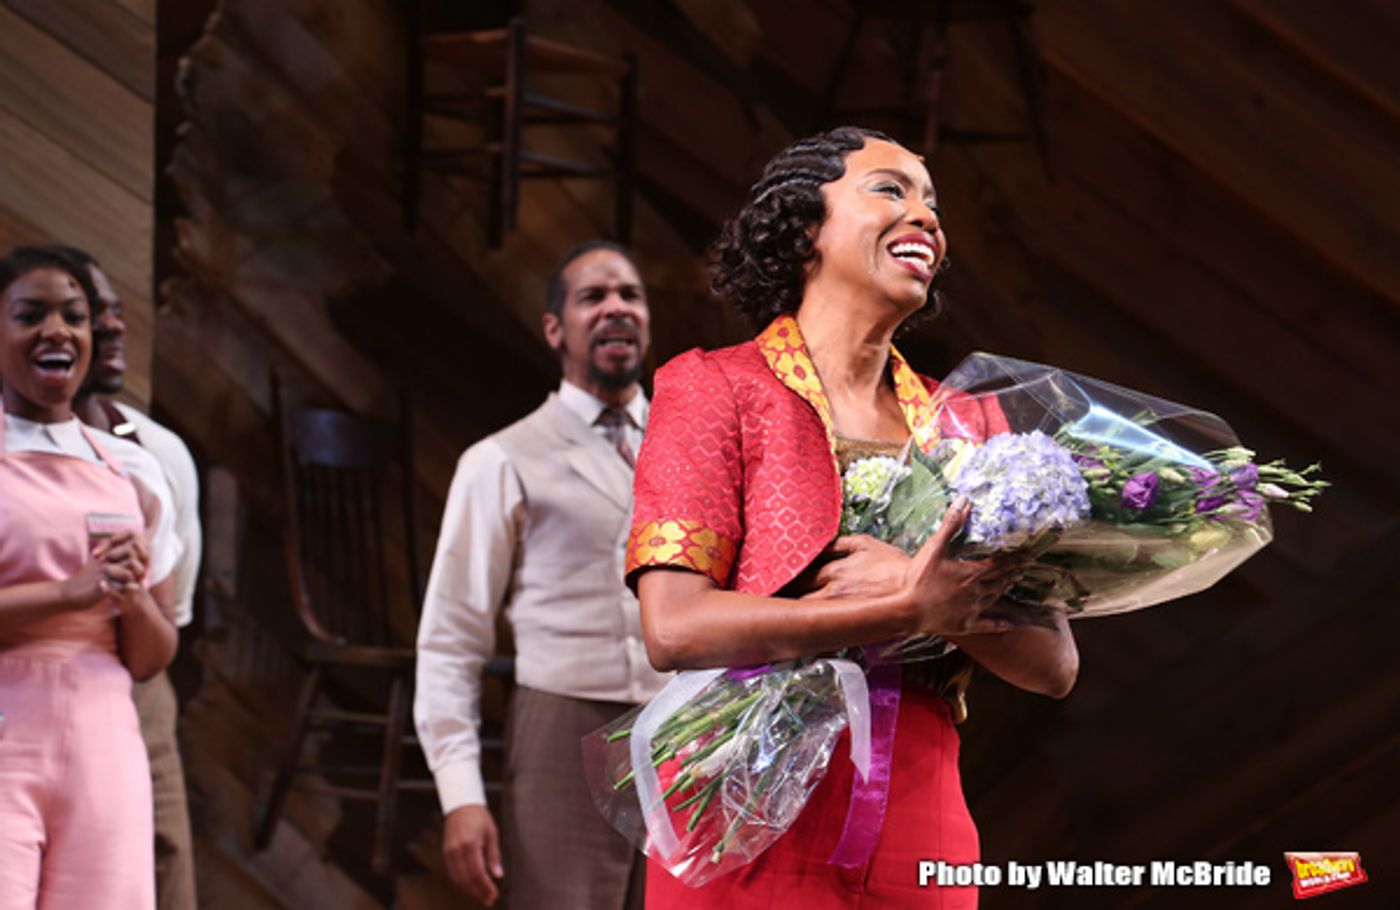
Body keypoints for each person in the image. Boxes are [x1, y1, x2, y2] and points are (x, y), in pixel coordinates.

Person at [626, 128, 1079, 909]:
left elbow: (1055, 666)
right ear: (807, 227)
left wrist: (919, 587)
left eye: (933, 203)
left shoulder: (969, 427)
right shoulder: (715, 388)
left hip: (920, 805)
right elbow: (674, 627)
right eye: (891, 190)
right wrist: (904, 606)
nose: (928, 217)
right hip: (746, 796)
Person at [415, 240, 671, 909]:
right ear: (555, 329)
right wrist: (461, 795)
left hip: (684, 731)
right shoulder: (500, 460)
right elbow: (450, 638)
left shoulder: (689, 447)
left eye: (630, 295)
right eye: (594, 297)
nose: (616, 307)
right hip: (564, 728)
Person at [0, 245, 181, 909]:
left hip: (104, 745)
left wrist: (133, 603)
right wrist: (67, 593)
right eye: (30, 315)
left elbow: (151, 657)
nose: (58, 331)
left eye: (74, 317)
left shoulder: (134, 470)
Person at [52, 245, 202, 910]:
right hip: (26, 686)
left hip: (137, 681)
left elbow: (177, 612)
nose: (113, 329)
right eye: (91, 313)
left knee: (161, 860)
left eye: (113, 313)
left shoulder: (156, 455)